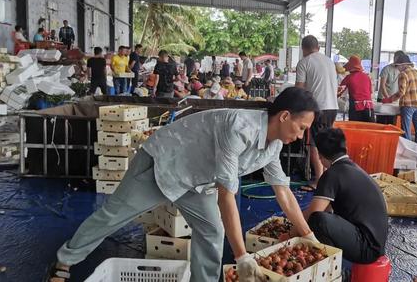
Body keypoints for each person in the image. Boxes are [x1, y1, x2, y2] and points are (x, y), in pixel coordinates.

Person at [46, 87, 321, 282]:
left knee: (212, 231)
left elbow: (283, 192)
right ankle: (64, 261)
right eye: (301, 127)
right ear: (284, 116)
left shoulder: (273, 147)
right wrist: (241, 256)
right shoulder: (239, 127)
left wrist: (309, 238)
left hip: (196, 181)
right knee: (113, 215)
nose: (300, 136)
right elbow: (227, 195)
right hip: (164, 163)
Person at [302, 128, 387, 264]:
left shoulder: (332, 174)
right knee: (322, 218)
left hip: (366, 248)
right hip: (375, 243)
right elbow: (328, 208)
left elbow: (313, 213)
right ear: (345, 148)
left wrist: (290, 232)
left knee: (317, 220)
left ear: (320, 156)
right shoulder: (353, 169)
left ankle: (329, 264)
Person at [295, 35, 339, 192]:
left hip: (317, 108)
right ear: (318, 47)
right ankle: (328, 177)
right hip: (333, 107)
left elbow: (299, 90)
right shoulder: (329, 61)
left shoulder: (304, 62)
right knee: (327, 141)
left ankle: (319, 180)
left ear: (303, 49)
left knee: (314, 144)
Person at [384, 54, 417, 147]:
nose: (397, 68)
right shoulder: (416, 72)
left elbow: (401, 92)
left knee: (406, 129)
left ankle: (408, 149)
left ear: (402, 65)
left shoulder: (403, 74)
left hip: (408, 105)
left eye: (397, 66)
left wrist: (389, 99)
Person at [337, 55, 374, 123]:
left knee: (356, 130)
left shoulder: (349, 78)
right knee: (369, 129)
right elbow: (370, 92)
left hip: (356, 109)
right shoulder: (367, 77)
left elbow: (339, 92)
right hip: (369, 108)